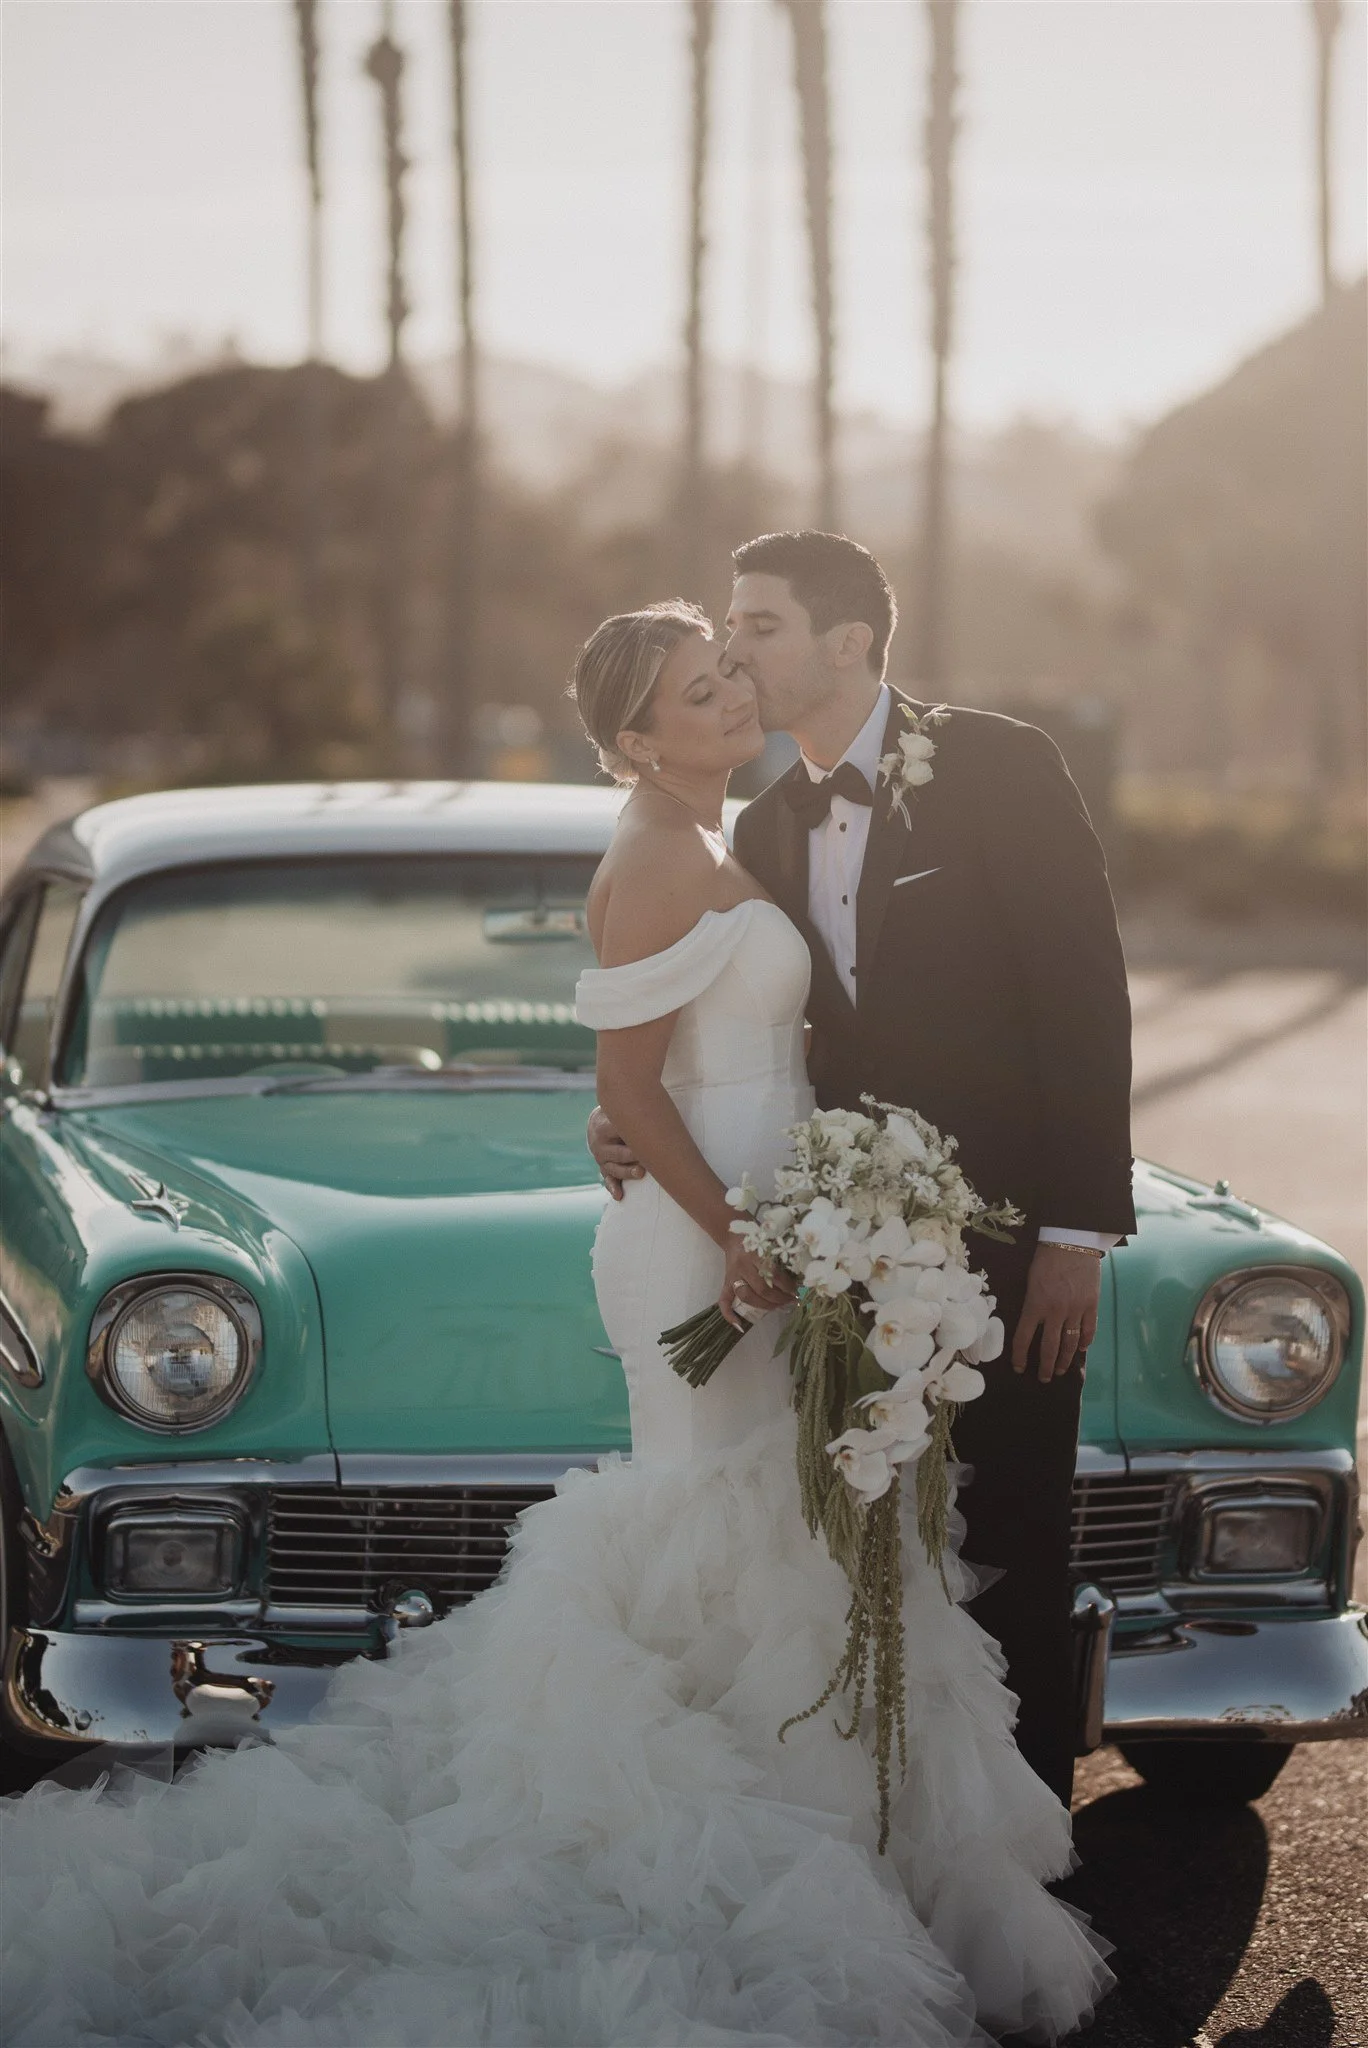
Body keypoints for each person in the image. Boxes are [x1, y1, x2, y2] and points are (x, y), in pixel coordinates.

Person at [0, 601, 1112, 2048]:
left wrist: (798, 1198)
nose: (730, 699)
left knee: (780, 1531)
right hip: (712, 1242)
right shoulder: (654, 854)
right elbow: (632, 1083)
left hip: (771, 1220)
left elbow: (715, 1050)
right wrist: (740, 1230)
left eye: (729, 674)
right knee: (722, 1517)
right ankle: (701, 1865)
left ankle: (805, 1836)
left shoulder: (737, 829)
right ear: (634, 739)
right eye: (697, 692)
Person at [589, 533, 1136, 1808]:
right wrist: (620, 1116)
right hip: (834, 1252)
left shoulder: (999, 762)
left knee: (1010, 1537)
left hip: (1006, 1238)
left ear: (849, 641)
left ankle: (1026, 1847)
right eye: (727, 629)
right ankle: (898, 1832)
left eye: (758, 626)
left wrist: (1075, 1234)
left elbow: (1084, 994)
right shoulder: (762, 824)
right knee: (871, 1551)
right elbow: (708, 1015)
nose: (735, 650)